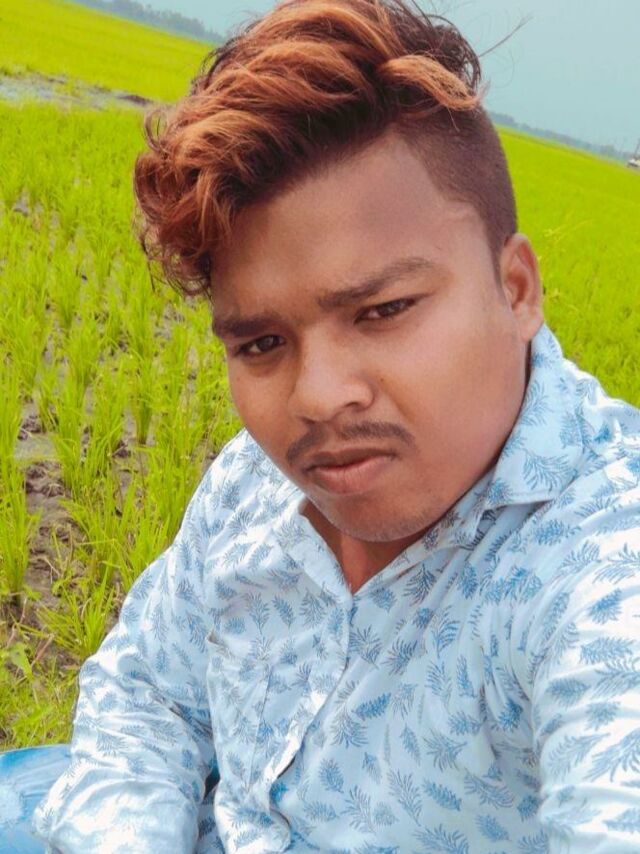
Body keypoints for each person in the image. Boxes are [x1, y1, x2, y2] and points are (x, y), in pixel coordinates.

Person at [33, 0, 640, 851]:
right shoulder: (252, 481)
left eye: (383, 310)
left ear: (516, 290)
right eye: (262, 344)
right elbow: (150, 690)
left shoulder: (604, 572)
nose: (316, 398)